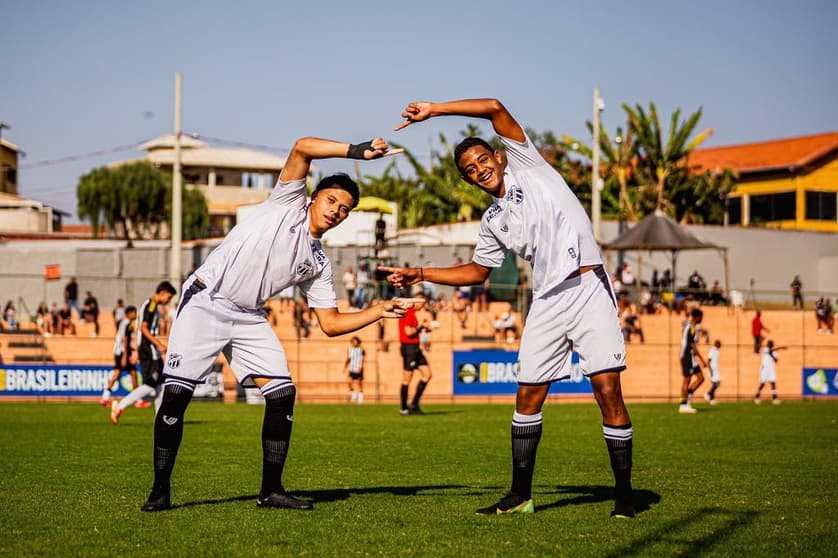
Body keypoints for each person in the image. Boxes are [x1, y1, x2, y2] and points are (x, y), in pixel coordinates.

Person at [382, 98, 634, 517]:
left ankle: (624, 496)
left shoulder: (528, 164)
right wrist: (419, 272)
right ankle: (521, 496)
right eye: (469, 170)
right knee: (527, 397)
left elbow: (495, 107)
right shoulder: (492, 220)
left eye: (482, 159)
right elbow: (478, 272)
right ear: (467, 179)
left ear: (498, 156)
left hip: (587, 286)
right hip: (547, 299)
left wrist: (434, 110)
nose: (479, 168)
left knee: (607, 390)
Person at [138, 134, 414, 513]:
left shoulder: (318, 263)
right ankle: (159, 490)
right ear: (314, 197)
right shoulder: (287, 204)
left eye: (345, 209)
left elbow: (330, 325)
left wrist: (379, 309)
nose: (337, 210)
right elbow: (302, 146)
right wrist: (356, 151)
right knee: (176, 396)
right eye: (332, 200)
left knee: (283, 394)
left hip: (249, 315)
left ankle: (271, 492)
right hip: (206, 300)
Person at [111, 281, 177, 423]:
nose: (168, 301)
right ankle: (120, 405)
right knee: (151, 383)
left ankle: (160, 418)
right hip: (149, 350)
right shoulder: (151, 306)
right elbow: (144, 328)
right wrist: (158, 344)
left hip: (148, 349)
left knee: (161, 383)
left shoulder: (150, 305)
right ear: (162, 293)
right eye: (169, 297)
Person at [397, 296, 432, 415]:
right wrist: (420, 327)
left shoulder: (413, 314)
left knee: (427, 374)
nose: (423, 304)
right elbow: (408, 332)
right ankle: (403, 408)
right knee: (407, 378)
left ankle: (414, 404)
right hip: (409, 348)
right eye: (422, 302)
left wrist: (423, 329)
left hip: (415, 348)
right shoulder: (408, 313)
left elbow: (414, 331)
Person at [101, 305, 139, 406]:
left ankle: (105, 397)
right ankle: (138, 400)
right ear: (129, 313)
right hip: (123, 352)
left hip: (119, 351)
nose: (136, 315)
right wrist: (125, 355)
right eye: (134, 312)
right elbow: (125, 339)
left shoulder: (122, 322)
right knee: (133, 374)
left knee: (119, 374)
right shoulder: (128, 324)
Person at [678, 308, 707, 414]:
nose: (702, 319)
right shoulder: (691, 327)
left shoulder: (690, 326)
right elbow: (692, 345)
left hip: (690, 356)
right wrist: (703, 360)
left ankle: (688, 395)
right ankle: (683, 405)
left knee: (701, 378)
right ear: (697, 317)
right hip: (687, 356)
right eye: (701, 317)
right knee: (687, 380)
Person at [754, 340, 787, 404]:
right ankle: (757, 397)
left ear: (772, 345)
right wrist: (781, 348)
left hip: (771, 369)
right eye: (768, 344)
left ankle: (774, 398)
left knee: (773, 383)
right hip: (764, 369)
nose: (769, 345)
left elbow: (776, 360)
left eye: (770, 344)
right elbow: (769, 352)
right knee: (762, 384)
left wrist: (773, 357)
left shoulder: (775, 353)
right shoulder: (765, 349)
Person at [344, 336, 365, 404]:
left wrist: (361, 367)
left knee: (359, 383)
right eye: (353, 341)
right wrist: (345, 366)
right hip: (352, 368)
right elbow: (348, 358)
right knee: (349, 381)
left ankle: (360, 397)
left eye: (355, 341)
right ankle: (353, 394)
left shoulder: (361, 349)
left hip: (358, 368)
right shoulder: (350, 349)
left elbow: (363, 359)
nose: (354, 343)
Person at [704, 339, 722, 405]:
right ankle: (708, 394)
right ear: (717, 344)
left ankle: (711, 399)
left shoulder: (716, 351)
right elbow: (708, 361)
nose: (720, 345)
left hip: (715, 369)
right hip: (712, 370)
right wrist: (710, 371)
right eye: (719, 344)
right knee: (716, 383)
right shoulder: (712, 351)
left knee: (716, 383)